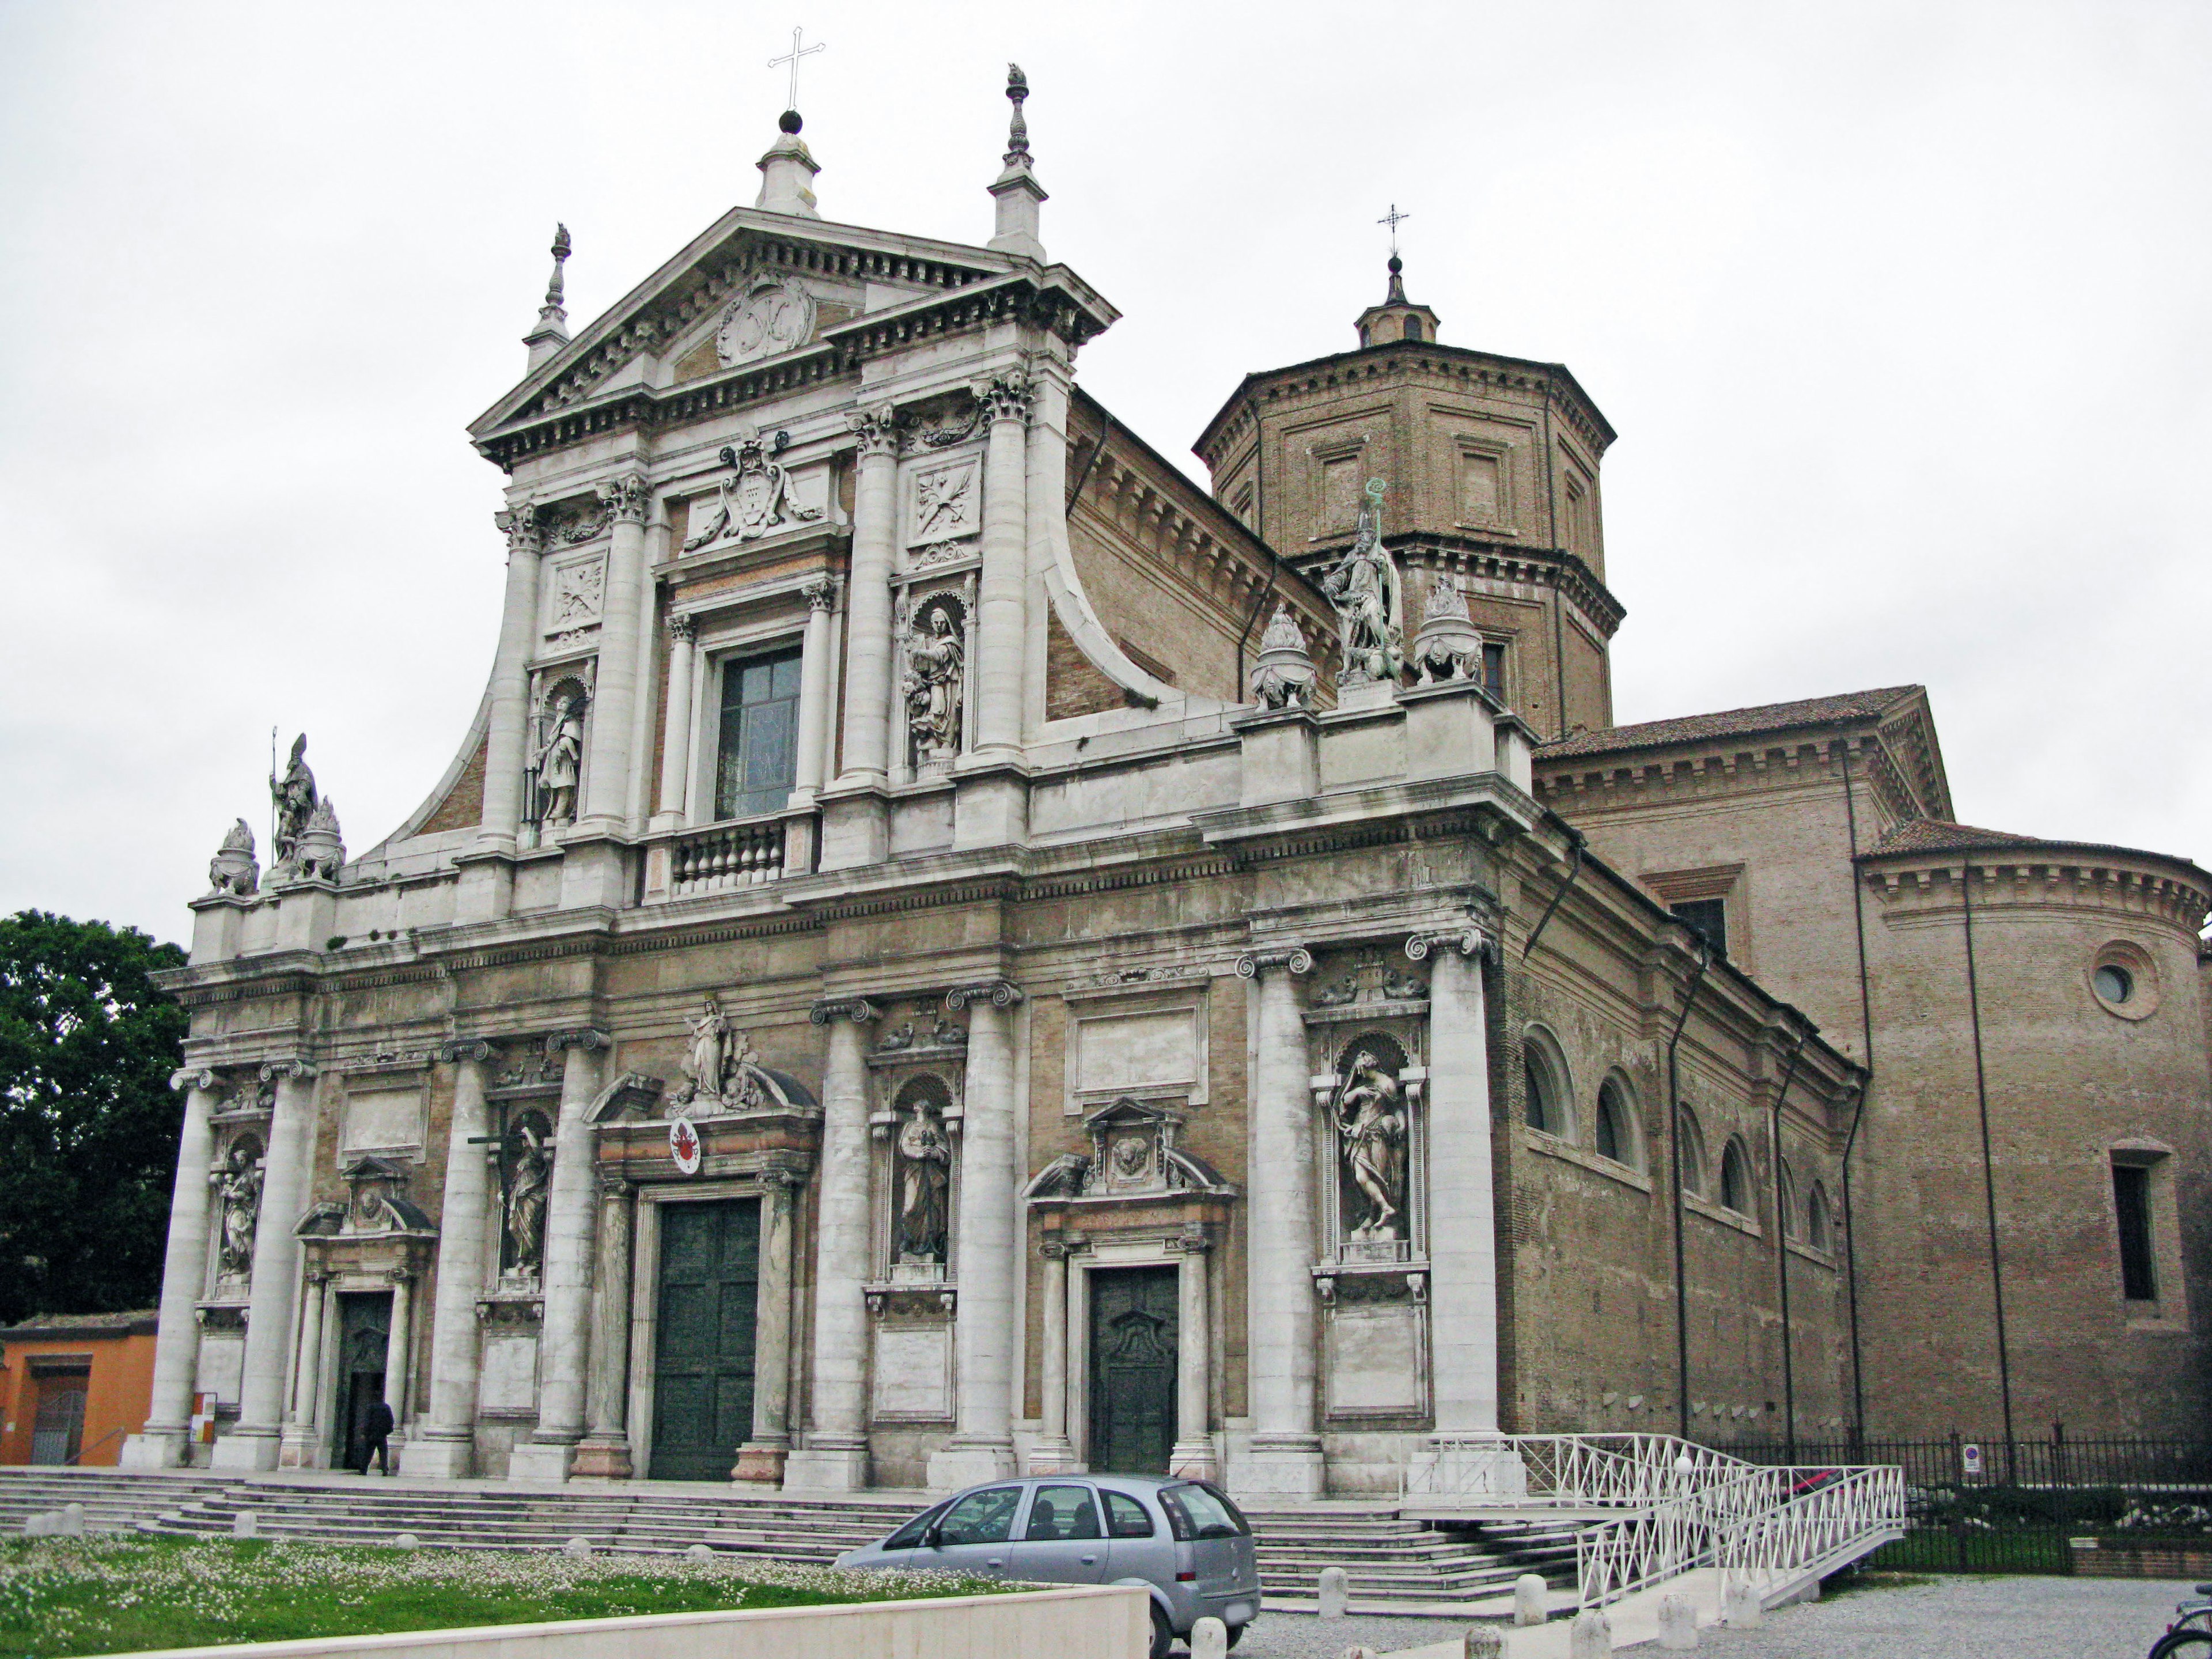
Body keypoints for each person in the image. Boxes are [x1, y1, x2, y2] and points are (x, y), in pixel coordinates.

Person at [363, 1397, 395, 1475]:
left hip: (372, 1434)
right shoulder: (386, 1408)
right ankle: (384, 1469)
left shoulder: (371, 1407)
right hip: (382, 1434)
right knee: (383, 1453)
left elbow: (367, 1421)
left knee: (368, 1452)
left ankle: (363, 1469)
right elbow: (391, 1420)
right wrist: (387, 1431)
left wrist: (365, 1433)